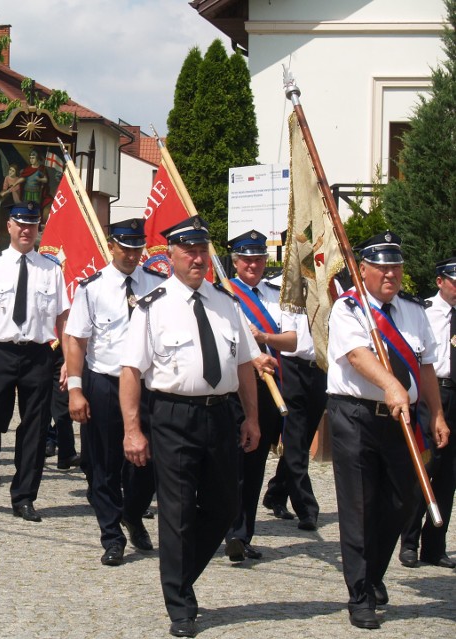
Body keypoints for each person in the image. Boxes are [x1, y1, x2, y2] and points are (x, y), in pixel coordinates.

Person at [119, 216, 262, 638]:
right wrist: (132, 429)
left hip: (221, 415)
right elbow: (131, 372)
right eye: (189, 252)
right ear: (172, 257)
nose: (198, 259)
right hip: (173, 416)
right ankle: (180, 604)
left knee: (224, 507)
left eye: (202, 251)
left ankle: (181, 577)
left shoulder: (225, 302)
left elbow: (245, 365)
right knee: (178, 512)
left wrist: (251, 416)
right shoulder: (152, 307)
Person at [326, 231, 448, 630]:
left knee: (403, 500)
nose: (390, 274)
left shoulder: (414, 311)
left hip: (403, 419)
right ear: (364, 269)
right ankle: (360, 595)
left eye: (395, 266)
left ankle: (374, 573)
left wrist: (436, 413)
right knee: (360, 506)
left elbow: (426, 365)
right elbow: (358, 357)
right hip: (356, 416)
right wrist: (391, 384)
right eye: (381, 266)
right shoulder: (350, 309)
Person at [64, 218, 163, 566]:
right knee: (104, 465)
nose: (133, 254)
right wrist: (76, 390)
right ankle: (112, 535)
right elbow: (75, 340)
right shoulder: (92, 288)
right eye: (126, 247)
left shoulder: (158, 285)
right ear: (111, 246)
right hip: (105, 381)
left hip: (147, 385)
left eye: (138, 247)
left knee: (147, 460)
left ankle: (133, 514)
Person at [0, 201, 69, 522]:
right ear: (9, 226)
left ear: (38, 229)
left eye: (33, 225)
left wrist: (67, 361)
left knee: (35, 429)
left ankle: (24, 497)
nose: (26, 231)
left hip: (38, 354)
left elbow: (64, 317)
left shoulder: (51, 270)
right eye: (21, 225)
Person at [223, 230, 297, 562]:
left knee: (255, 462)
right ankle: (224, 527)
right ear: (235, 262)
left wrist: (263, 336)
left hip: (269, 385)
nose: (253, 265)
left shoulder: (275, 295)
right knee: (230, 462)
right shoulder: (224, 294)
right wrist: (249, 349)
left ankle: (242, 533)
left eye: (258, 259)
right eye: (246, 259)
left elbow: (292, 341)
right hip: (234, 386)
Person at [399, 255, 456, 569]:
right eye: (454, 281)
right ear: (440, 281)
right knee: (425, 469)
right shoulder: (425, 312)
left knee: (449, 477)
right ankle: (408, 542)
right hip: (433, 395)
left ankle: (435, 546)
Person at [261, 299, 327, 530]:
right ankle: (307, 507)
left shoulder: (334, 289)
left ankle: (277, 490)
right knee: (296, 439)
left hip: (320, 369)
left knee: (302, 439)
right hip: (291, 367)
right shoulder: (286, 290)